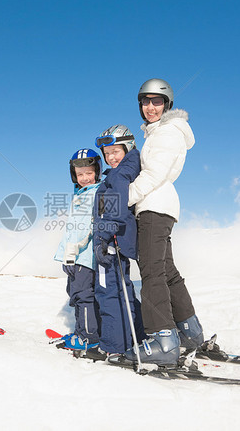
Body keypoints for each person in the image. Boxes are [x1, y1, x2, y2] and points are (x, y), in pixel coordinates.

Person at [122, 78, 204, 366]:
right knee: (167, 271)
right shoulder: (158, 133)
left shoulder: (167, 133)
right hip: (160, 205)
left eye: (157, 101)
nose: (150, 107)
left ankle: (163, 341)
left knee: (152, 272)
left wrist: (124, 198)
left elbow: (154, 174)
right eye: (145, 101)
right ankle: (189, 332)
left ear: (167, 104)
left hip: (154, 206)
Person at [85, 125, 145, 361]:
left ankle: (113, 346)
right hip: (113, 240)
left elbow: (115, 211)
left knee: (108, 291)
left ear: (127, 147)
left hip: (110, 242)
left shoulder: (119, 175)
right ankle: (134, 338)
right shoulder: (122, 170)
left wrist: (104, 236)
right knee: (121, 289)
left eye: (115, 152)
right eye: (107, 153)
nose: (110, 158)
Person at [54, 148, 102, 350]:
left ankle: (88, 338)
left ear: (97, 172)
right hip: (73, 256)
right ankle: (80, 331)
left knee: (83, 295)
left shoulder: (94, 194)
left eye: (89, 173)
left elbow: (87, 228)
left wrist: (72, 252)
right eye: (80, 174)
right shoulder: (81, 194)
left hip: (82, 256)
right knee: (74, 293)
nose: (84, 178)